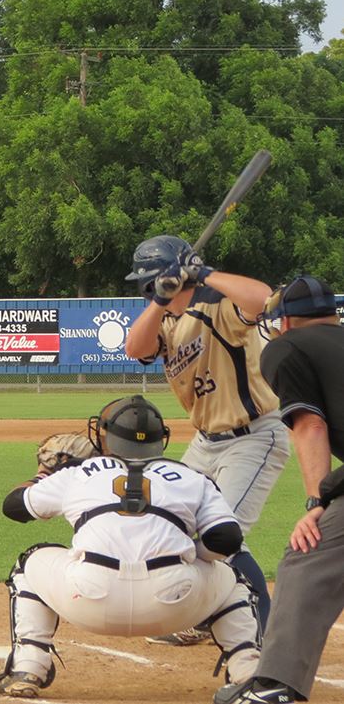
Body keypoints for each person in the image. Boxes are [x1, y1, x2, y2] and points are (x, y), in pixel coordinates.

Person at [0, 395, 263, 699]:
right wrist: (191, 556)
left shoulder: (80, 472)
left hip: (88, 599)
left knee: (29, 562)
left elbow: (13, 507)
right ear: (162, 440)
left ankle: (28, 668)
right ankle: (248, 673)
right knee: (234, 579)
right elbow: (226, 539)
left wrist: (45, 476)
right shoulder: (191, 476)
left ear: (106, 436)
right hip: (175, 603)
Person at [123, 235, 288, 641]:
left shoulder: (218, 305)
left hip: (254, 436)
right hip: (205, 441)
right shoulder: (164, 318)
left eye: (148, 281)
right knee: (169, 526)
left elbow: (262, 297)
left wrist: (204, 273)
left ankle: (262, 635)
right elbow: (134, 348)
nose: (144, 287)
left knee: (222, 537)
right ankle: (191, 618)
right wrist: (161, 300)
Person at [214, 275, 344, 704]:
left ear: (284, 321)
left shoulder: (286, 348)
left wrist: (317, 502)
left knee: (307, 557)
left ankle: (277, 686)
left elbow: (310, 424)